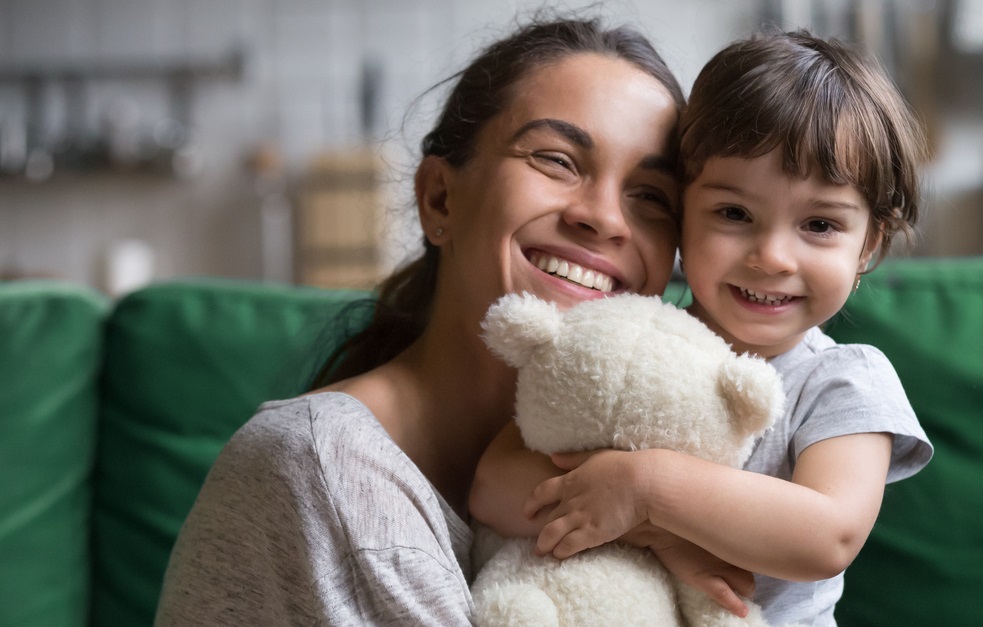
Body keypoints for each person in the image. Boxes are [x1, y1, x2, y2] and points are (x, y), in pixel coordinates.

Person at [154, 16, 687, 626]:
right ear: (440, 198)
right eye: (557, 160)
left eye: (651, 197)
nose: (607, 220)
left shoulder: (643, 473)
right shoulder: (326, 469)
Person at [469, 29, 934, 626]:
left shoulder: (843, 379)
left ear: (868, 242)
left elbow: (828, 535)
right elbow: (495, 481)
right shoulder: (630, 340)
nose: (773, 257)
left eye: (819, 224)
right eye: (734, 213)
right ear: (682, 212)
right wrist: (654, 534)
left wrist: (650, 488)